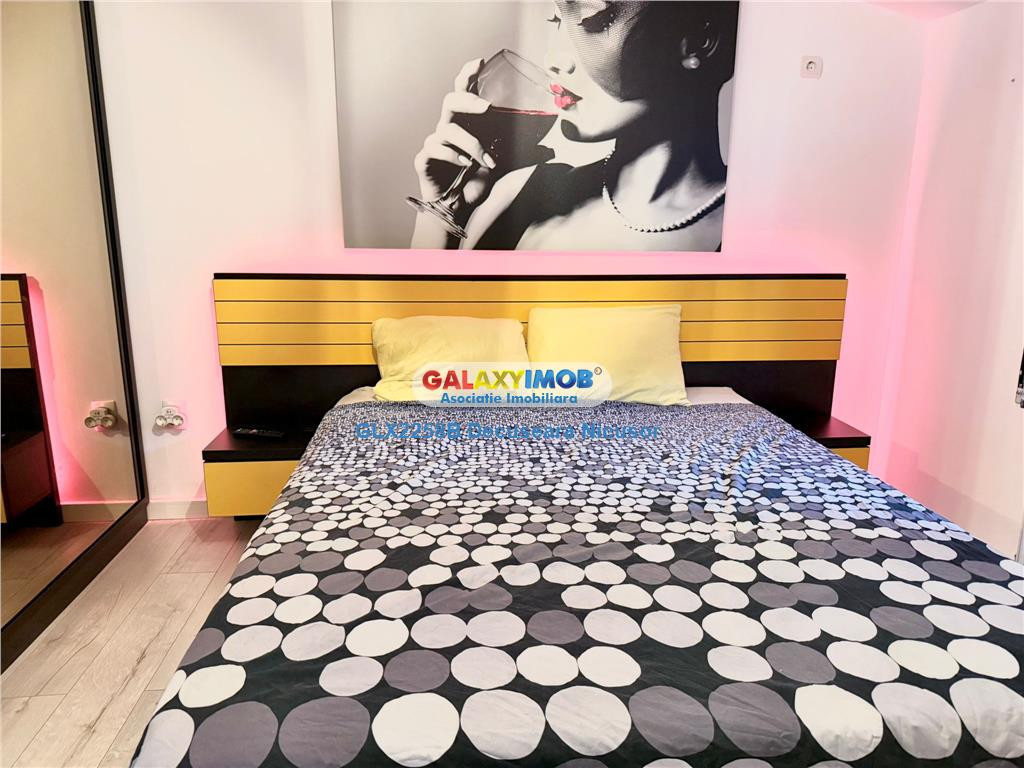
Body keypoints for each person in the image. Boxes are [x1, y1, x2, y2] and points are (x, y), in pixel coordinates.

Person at [410, 0, 738, 251]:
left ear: (699, 40)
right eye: (556, 20)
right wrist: (443, 219)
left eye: (593, 22)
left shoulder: (744, 231)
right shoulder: (517, 196)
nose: (552, 59)